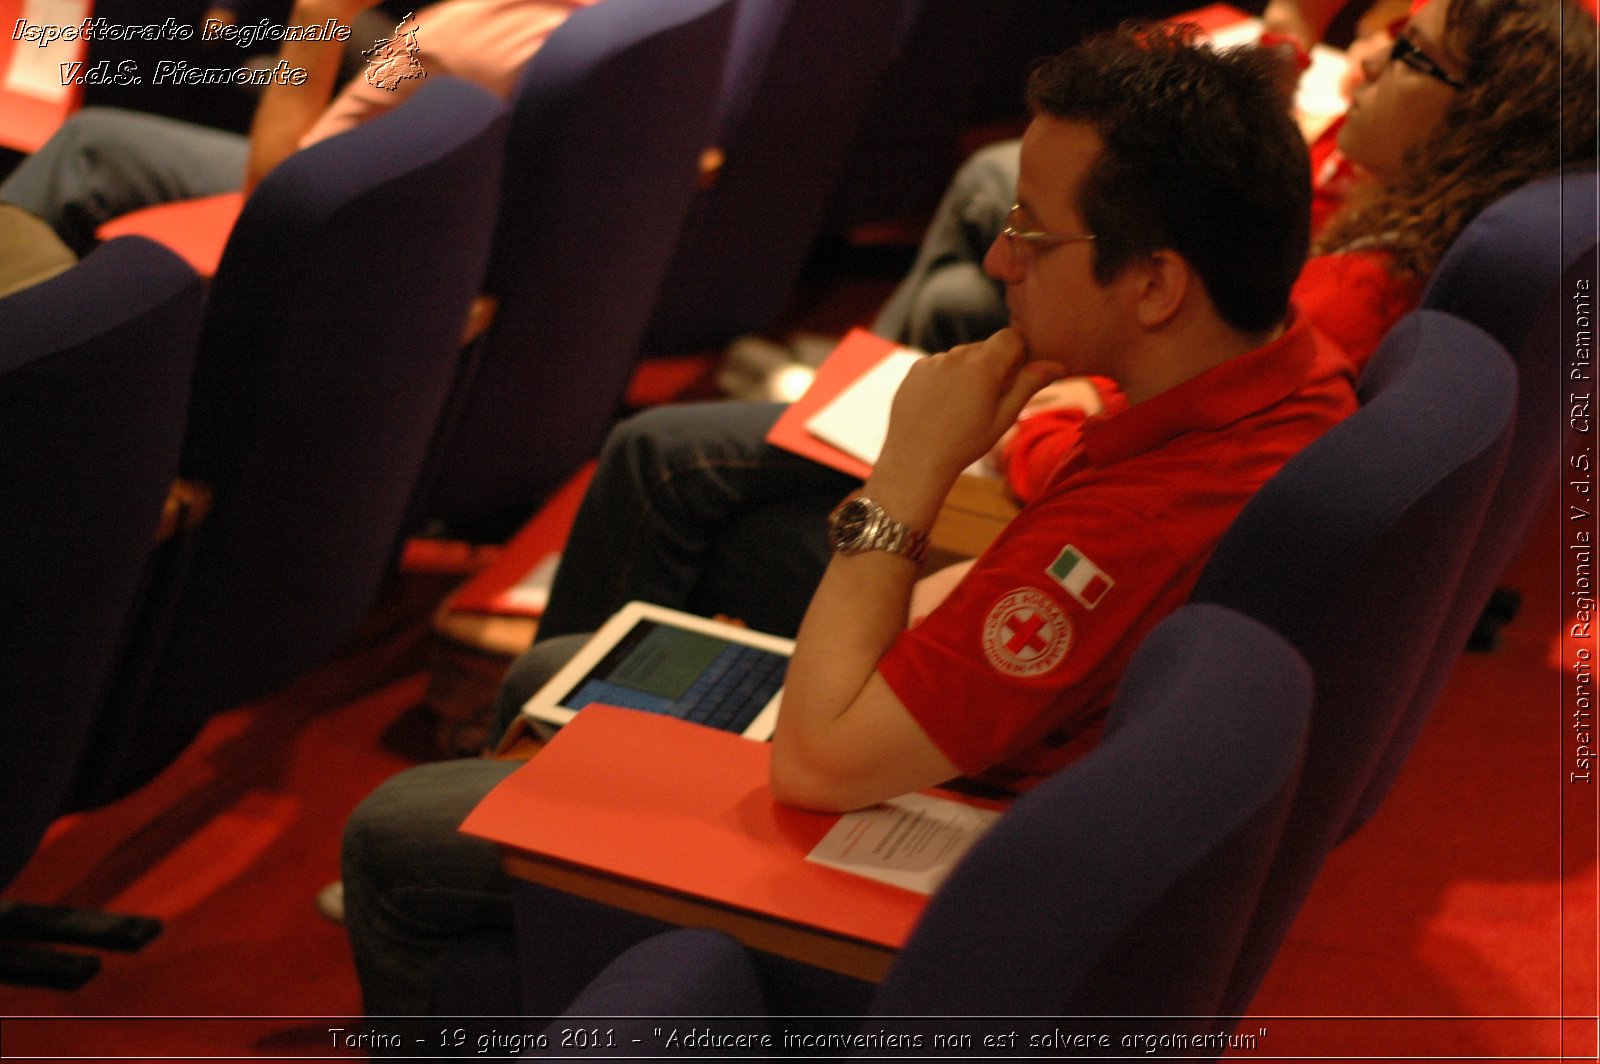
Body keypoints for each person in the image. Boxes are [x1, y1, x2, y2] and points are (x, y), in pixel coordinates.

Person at [341, 22, 1359, 1012]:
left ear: (1154, 283)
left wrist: (910, 473)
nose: (1004, 263)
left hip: (956, 876)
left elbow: (821, 764)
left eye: (1031, 234)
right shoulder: (1289, 366)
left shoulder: (1132, 526)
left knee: (394, 830)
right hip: (1000, 781)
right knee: (559, 669)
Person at [530, 0, 1595, 640]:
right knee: (952, 286)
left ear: (1476, 120)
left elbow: (1127, 470)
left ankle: (535, 760)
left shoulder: (1348, 299)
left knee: (663, 461)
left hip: (1031, 497)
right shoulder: (1369, 208)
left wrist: (947, 456)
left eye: (1409, 51)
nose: (1368, 53)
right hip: (1043, 459)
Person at [0, 0, 595, 256]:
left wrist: (320, 18)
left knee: (91, 144)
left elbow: (281, 198)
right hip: (453, 206)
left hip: (353, 232)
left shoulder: (460, 42)